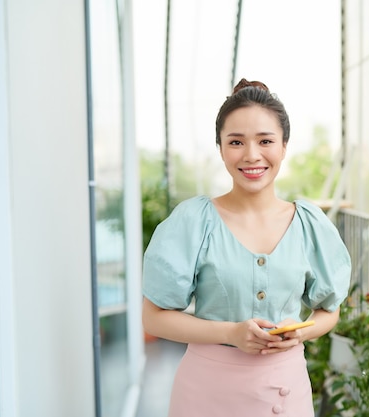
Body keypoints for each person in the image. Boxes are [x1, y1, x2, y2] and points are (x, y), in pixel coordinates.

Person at [142, 78, 351, 417]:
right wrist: (231, 333)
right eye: (236, 141)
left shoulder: (309, 224)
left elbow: (330, 309)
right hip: (205, 394)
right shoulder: (194, 221)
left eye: (265, 141)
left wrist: (301, 332)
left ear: (283, 146)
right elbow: (152, 318)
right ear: (221, 148)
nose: (252, 155)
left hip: (285, 392)